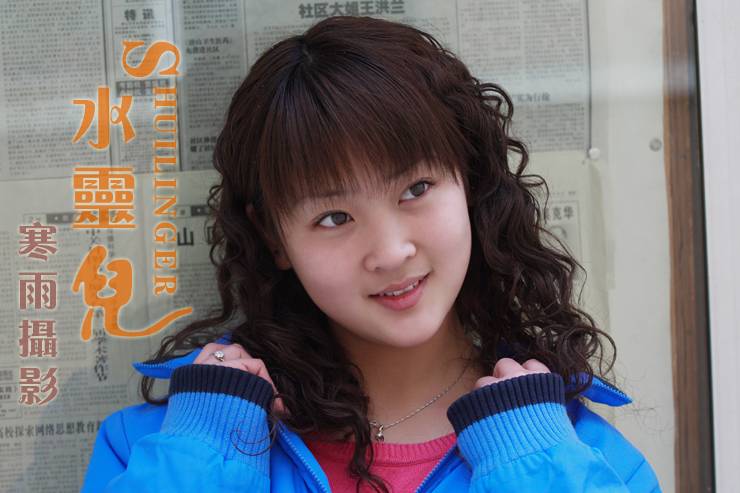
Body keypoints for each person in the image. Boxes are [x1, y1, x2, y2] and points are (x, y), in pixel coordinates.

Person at [81, 15, 662, 493]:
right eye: (334, 218)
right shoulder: (156, 449)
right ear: (275, 238)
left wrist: (535, 467)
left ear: (469, 181)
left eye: (416, 189)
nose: (390, 251)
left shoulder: (580, 457)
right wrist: (209, 453)